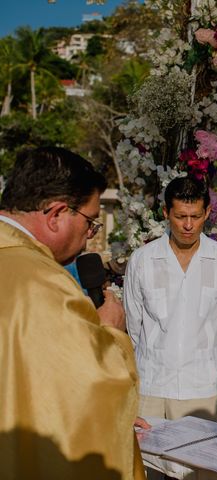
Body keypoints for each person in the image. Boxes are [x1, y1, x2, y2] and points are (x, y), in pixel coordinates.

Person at [0, 147, 145, 479]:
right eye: (90, 223)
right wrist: (110, 333)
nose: (88, 239)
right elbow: (88, 391)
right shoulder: (44, 283)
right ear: (56, 215)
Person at [124, 176, 217, 423]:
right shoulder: (143, 259)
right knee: (148, 460)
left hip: (201, 388)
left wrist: (212, 364)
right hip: (151, 385)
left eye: (196, 216)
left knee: (197, 460)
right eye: (180, 217)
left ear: (207, 213)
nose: (188, 225)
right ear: (166, 212)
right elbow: (133, 322)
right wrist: (153, 357)